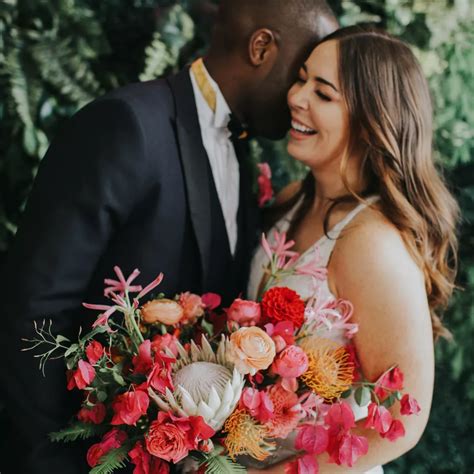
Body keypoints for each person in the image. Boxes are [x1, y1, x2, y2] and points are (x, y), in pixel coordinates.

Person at [0, 2, 338, 473]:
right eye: (299, 73)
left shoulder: (241, 150)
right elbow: (31, 309)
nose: (299, 95)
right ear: (261, 47)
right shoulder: (126, 125)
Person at [246, 25, 459, 472]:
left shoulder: (372, 244)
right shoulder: (291, 200)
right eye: (301, 78)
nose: (296, 97)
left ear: (370, 120)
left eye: (323, 94)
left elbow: (403, 416)